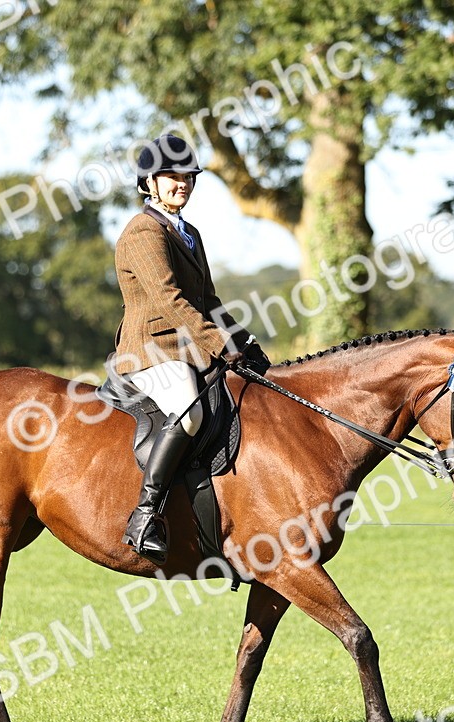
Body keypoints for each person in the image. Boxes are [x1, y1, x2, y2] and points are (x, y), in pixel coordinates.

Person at [110, 134, 270, 565]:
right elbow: (169, 300)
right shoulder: (143, 231)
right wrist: (218, 344)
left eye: (187, 177)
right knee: (191, 410)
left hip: (187, 348)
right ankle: (144, 515)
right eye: (171, 177)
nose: (182, 184)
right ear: (149, 184)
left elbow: (208, 302)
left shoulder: (189, 232)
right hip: (151, 351)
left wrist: (243, 340)